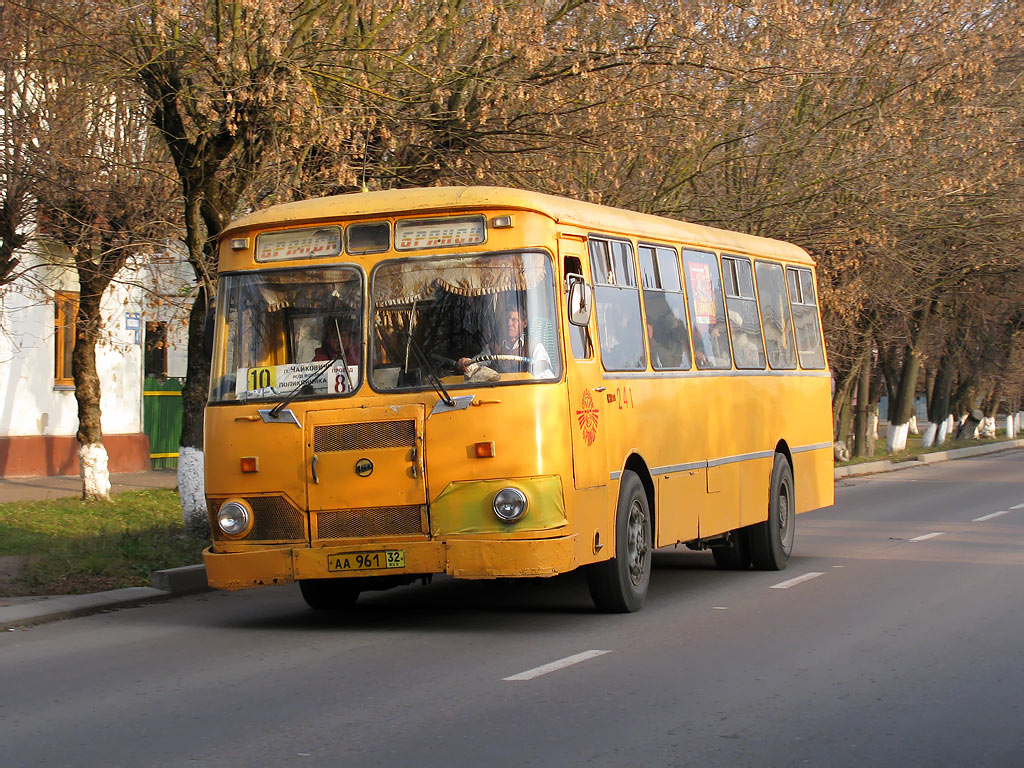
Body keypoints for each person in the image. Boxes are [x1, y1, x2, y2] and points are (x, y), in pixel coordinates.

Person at [459, 306, 553, 378]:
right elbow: (475, 366)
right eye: (506, 320)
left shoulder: (534, 346)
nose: (509, 324)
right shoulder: (493, 348)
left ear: (524, 323)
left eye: (514, 320)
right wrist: (466, 363)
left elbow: (546, 375)